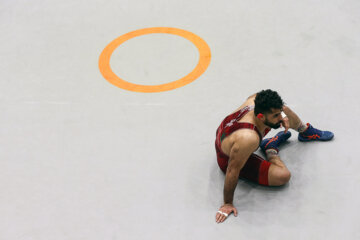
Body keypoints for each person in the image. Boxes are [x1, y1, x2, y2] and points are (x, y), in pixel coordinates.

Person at [214, 89, 334, 223]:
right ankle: (270, 148)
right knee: (283, 176)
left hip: (228, 133)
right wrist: (227, 203)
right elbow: (232, 170)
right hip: (228, 156)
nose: (281, 118)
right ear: (260, 117)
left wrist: (283, 114)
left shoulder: (255, 100)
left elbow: (274, 105)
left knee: (284, 109)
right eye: (276, 116)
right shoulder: (248, 138)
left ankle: (305, 132)